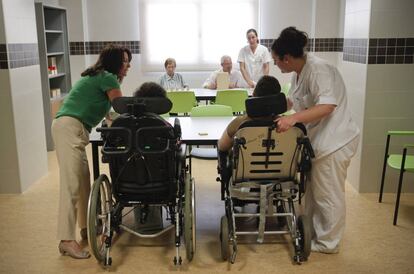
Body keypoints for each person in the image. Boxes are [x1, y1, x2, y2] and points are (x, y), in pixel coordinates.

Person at [271, 26, 360, 254]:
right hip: (319, 140)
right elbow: (294, 101)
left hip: (335, 140)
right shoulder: (298, 72)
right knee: (313, 192)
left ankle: (328, 242)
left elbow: (327, 106)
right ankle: (313, 232)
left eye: (276, 60)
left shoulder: (318, 69)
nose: (275, 64)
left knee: (328, 194)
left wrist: (293, 120)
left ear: (287, 58)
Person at [52, 44, 131, 259]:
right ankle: (66, 240)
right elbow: (121, 106)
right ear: (115, 62)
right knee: (71, 184)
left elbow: (111, 114)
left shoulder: (100, 76)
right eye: (125, 61)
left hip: (74, 128)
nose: (128, 65)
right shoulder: (108, 77)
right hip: (70, 127)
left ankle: (88, 227)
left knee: (84, 181)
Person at [218, 75, 281, 152]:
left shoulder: (240, 123)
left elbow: (222, 146)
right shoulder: (288, 125)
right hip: (282, 164)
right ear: (278, 99)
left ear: (254, 95)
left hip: (246, 163)